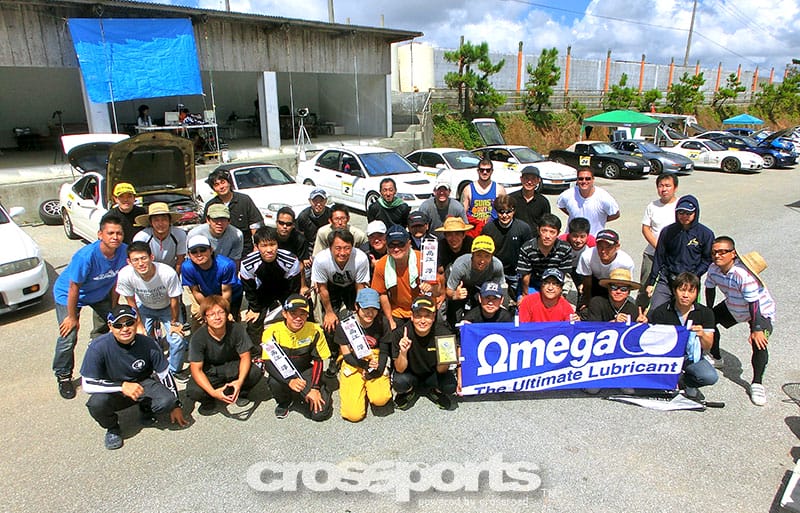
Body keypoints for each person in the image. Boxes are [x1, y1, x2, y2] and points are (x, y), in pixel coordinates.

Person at [80, 305, 188, 450]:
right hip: (114, 390)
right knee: (97, 403)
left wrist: (176, 404)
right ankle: (112, 428)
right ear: (110, 326)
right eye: (118, 325)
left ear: (136, 322)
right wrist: (121, 386)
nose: (125, 329)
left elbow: (165, 374)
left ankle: (145, 407)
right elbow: (87, 384)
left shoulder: (148, 343)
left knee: (167, 401)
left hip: (142, 384)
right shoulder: (98, 347)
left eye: (129, 323)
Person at [52, 213, 128, 399]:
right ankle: (63, 375)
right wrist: (72, 317)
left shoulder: (124, 251)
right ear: (100, 234)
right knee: (68, 335)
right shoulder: (86, 256)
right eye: (110, 233)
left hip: (99, 293)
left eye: (119, 233)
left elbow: (117, 281)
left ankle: (99, 358)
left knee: (114, 324)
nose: (115, 237)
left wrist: (113, 307)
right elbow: (74, 287)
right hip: (69, 295)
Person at [704, 237, 775, 406]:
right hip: (734, 306)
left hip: (759, 311)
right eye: (714, 252)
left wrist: (757, 328)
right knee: (710, 320)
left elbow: (754, 303)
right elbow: (709, 288)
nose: (717, 255)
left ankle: (757, 383)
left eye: (723, 252)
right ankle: (716, 357)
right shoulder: (713, 269)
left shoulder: (742, 274)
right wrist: (708, 312)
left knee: (759, 342)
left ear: (733, 254)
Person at [639, 272, 718, 401]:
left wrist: (702, 335)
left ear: (697, 293)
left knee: (709, 376)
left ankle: (686, 382)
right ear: (674, 291)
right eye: (682, 290)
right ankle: (667, 379)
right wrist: (642, 325)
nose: (685, 295)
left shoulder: (706, 313)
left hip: (690, 356)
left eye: (691, 291)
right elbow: (651, 342)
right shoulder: (661, 311)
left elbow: (708, 346)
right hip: (666, 357)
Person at [115, 242, 187, 376]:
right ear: (129, 262)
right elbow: (131, 302)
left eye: (143, 258)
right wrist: (139, 325)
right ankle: (146, 366)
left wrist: (174, 322)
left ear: (151, 257)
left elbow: (174, 300)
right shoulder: (125, 275)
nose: (140, 263)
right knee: (137, 337)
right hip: (144, 307)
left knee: (177, 340)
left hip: (167, 308)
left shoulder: (167, 273)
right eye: (135, 260)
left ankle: (173, 370)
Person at [186, 295, 264, 415]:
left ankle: (241, 392)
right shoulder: (198, 338)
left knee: (256, 371)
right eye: (211, 314)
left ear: (227, 314)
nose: (217, 317)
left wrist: (240, 381)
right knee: (194, 390)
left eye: (221, 312)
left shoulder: (237, 329)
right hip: (211, 371)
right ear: (205, 318)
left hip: (233, 366)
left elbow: (245, 357)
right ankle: (209, 400)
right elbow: (196, 369)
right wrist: (212, 392)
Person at [262, 294, 333, 421]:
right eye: (293, 313)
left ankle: (321, 389)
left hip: (305, 369)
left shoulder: (315, 330)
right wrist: (289, 381)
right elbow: (268, 363)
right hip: (283, 372)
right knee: (274, 381)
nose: (298, 318)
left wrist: (315, 388)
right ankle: (284, 401)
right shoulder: (271, 332)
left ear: (307, 315)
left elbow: (318, 360)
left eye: (302, 314)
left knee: (320, 414)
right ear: (284, 314)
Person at [645, 195, 714, 311]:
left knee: (687, 314)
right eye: (681, 212)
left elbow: (707, 259)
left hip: (690, 281)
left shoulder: (706, 234)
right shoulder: (667, 231)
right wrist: (651, 282)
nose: (684, 216)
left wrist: (694, 275)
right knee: (655, 311)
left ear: (695, 213)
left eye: (688, 213)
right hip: (667, 278)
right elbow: (659, 256)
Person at [335, 288, 393, 422]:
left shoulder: (382, 322)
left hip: (374, 357)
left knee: (381, 399)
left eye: (374, 309)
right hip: (354, 360)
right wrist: (365, 366)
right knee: (353, 415)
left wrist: (378, 370)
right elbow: (347, 355)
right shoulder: (345, 325)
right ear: (357, 306)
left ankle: (371, 386)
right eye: (366, 308)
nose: (370, 313)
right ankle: (360, 388)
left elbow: (384, 351)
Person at [240, 226, 303, 347]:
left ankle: (297, 346)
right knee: (254, 323)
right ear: (257, 246)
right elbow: (249, 289)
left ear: (277, 244)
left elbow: (294, 287)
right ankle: (256, 352)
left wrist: (291, 308)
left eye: (272, 244)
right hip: (261, 293)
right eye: (264, 246)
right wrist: (254, 309)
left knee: (298, 315)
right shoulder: (247, 264)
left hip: (285, 290)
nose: (269, 250)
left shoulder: (291, 260)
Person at [392, 296, 457, 411]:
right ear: (412, 316)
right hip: (410, 374)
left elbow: (441, 370)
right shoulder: (400, 334)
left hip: (433, 374)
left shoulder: (444, 334)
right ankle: (410, 391)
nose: (422, 321)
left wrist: (444, 357)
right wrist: (403, 352)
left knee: (450, 385)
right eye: (418, 316)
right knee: (399, 382)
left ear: (433, 317)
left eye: (427, 316)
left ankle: (434, 391)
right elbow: (399, 369)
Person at [371, 225, 436, 330]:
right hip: (398, 311)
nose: (396, 249)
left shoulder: (423, 259)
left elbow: (437, 290)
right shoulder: (381, 265)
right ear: (386, 246)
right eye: (391, 245)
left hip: (423, 307)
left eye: (401, 244)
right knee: (388, 329)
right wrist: (390, 320)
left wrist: (431, 287)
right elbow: (382, 294)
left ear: (409, 244)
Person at [445, 235, 506, 329]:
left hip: (483, 287)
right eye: (479, 255)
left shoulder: (497, 265)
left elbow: (501, 288)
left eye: (487, 256)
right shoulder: (461, 265)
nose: (482, 261)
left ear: (492, 256)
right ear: (472, 254)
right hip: (462, 286)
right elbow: (448, 291)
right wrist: (455, 295)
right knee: (454, 306)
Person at [181, 235, 243, 326]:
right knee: (202, 320)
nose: (199, 254)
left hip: (231, 294)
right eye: (194, 252)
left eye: (203, 250)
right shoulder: (187, 267)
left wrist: (221, 311)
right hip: (206, 293)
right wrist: (209, 309)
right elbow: (196, 291)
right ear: (189, 254)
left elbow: (226, 292)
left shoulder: (226, 265)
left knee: (229, 321)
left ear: (211, 250)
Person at [481, 194, 532, 299]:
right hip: (494, 272)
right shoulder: (488, 228)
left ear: (513, 211)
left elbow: (529, 253)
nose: (505, 215)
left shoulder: (523, 228)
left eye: (508, 212)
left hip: (516, 272)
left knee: (520, 299)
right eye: (501, 212)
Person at [202, 168, 262, 256]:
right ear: (213, 189)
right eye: (217, 185)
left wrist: (256, 247)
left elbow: (255, 225)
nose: (221, 187)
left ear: (229, 183)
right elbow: (205, 228)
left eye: (223, 182)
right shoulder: (210, 205)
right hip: (219, 251)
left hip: (245, 249)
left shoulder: (244, 200)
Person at [575, 229, 635, 309]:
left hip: (614, 284)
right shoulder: (587, 256)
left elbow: (626, 285)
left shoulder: (626, 262)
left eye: (608, 247)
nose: (603, 251)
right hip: (594, 280)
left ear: (617, 246)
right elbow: (587, 280)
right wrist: (587, 298)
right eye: (600, 246)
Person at [516, 213, 572, 296]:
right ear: (538, 230)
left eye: (552, 232)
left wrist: (559, 294)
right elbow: (525, 274)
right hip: (532, 283)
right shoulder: (527, 248)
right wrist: (525, 295)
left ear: (558, 233)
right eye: (544, 231)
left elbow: (563, 274)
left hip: (554, 283)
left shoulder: (565, 248)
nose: (547, 236)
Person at [640, 173, 679, 285]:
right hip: (652, 254)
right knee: (645, 286)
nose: (664, 189)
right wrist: (659, 247)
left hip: (675, 255)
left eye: (668, 186)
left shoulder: (681, 205)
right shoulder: (652, 206)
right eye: (660, 186)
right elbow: (645, 228)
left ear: (675, 188)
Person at [556, 168, 620, 236]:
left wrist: (601, 219)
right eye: (581, 179)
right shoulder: (567, 195)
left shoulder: (604, 198)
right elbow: (561, 206)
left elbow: (615, 214)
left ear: (593, 179)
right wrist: (573, 214)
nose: (584, 181)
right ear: (577, 180)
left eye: (587, 179)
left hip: (594, 238)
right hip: (572, 238)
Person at [133, 202, 187, 274]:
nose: (160, 224)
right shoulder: (141, 237)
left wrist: (175, 276)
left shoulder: (179, 234)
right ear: (151, 222)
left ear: (169, 221)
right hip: (148, 271)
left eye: (164, 219)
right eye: (156, 220)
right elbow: (139, 261)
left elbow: (180, 260)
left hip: (171, 270)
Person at [461, 158, 507, 233]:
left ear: (492, 171)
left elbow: (505, 211)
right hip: (474, 230)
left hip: (493, 229)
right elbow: (463, 213)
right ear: (478, 171)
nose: (485, 172)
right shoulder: (468, 189)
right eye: (482, 170)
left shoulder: (499, 189)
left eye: (488, 170)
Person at [558, 217, 596, 303]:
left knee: (584, 288)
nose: (578, 240)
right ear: (569, 234)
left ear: (588, 235)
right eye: (575, 236)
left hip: (581, 267)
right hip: (563, 266)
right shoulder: (561, 241)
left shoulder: (592, 243)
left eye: (582, 237)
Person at [296, 188, 332, 268]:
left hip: (327, 248)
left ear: (326, 201)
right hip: (309, 250)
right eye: (315, 201)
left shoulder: (331, 214)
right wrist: (305, 256)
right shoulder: (303, 216)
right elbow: (299, 238)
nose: (318, 204)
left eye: (321, 201)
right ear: (310, 201)